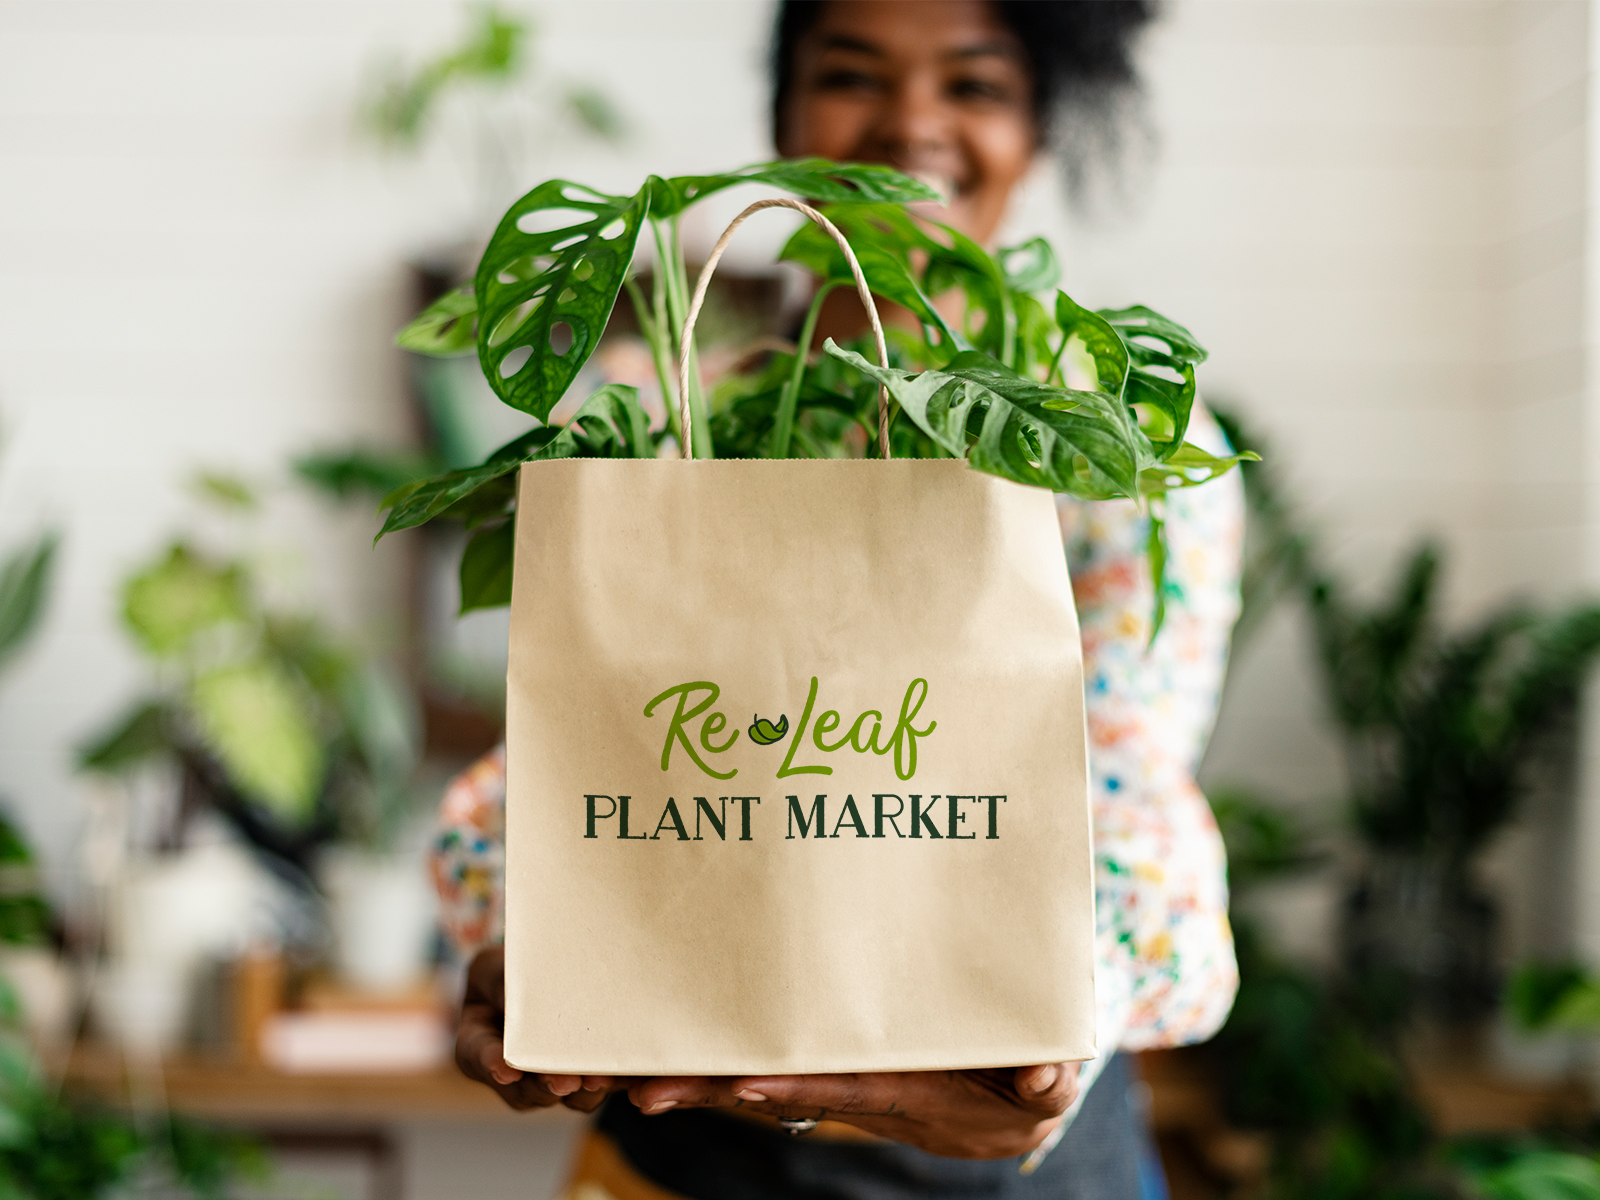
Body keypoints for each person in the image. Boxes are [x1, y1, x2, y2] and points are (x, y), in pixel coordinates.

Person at [430, 2, 1243, 1196]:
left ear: (1039, 130)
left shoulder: (1106, 442)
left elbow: (1119, 769)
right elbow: (584, 745)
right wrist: (542, 944)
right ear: (783, 121)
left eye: (973, 86)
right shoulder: (668, 417)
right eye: (852, 76)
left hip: (1006, 1158)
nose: (911, 122)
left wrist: (1055, 1040)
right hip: (691, 1149)